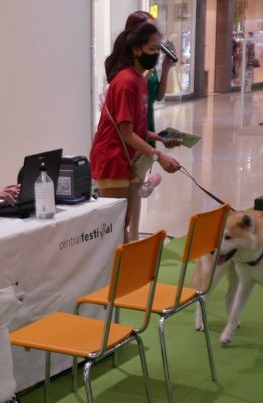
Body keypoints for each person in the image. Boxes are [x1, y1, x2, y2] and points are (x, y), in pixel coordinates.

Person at [90, 21, 181, 243]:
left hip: (128, 158)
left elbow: (137, 129)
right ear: (135, 50)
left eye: (158, 49)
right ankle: (116, 273)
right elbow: (126, 133)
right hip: (112, 159)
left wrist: (160, 137)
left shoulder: (140, 81)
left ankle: (125, 271)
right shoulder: (125, 82)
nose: (156, 54)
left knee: (126, 220)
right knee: (116, 225)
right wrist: (158, 156)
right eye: (151, 49)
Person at [122, 10, 180, 241]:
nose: (156, 43)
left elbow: (159, 95)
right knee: (128, 201)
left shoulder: (151, 65)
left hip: (146, 129)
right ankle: (130, 242)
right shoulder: (129, 72)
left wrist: (164, 67)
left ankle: (134, 240)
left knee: (137, 194)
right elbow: (135, 89)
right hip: (132, 137)